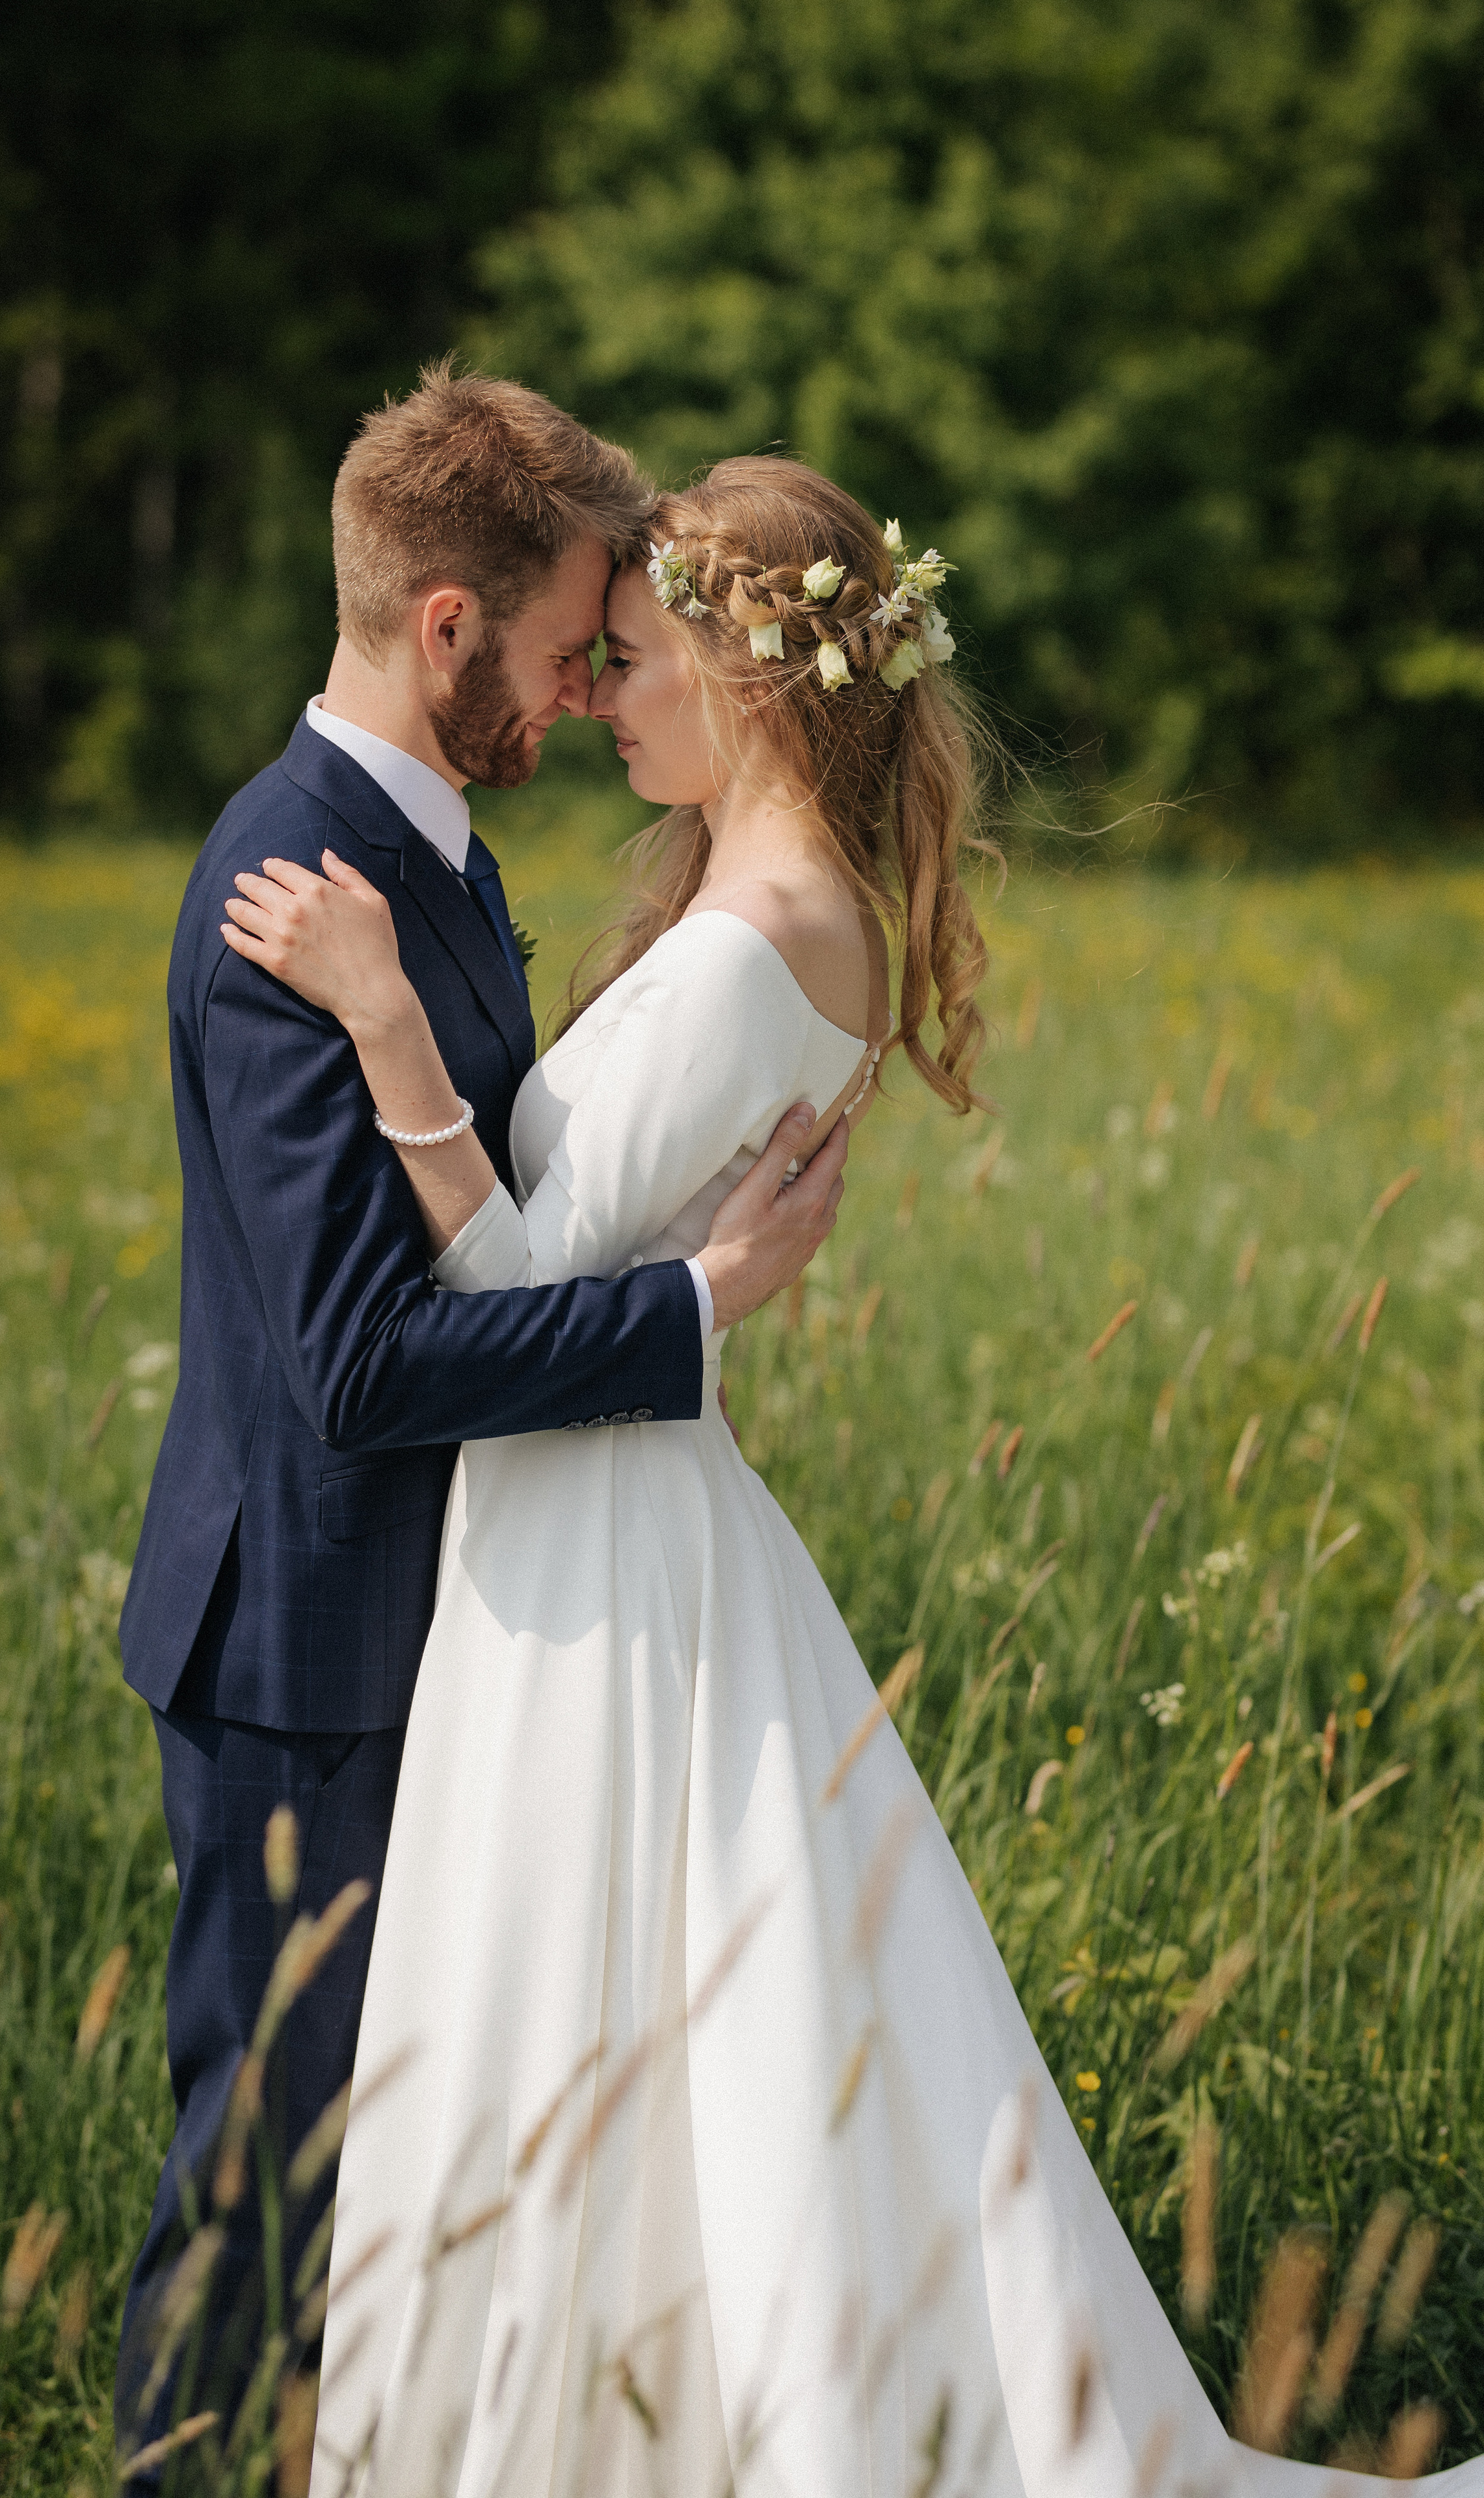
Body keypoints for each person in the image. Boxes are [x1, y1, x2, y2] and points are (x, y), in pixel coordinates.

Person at [226, 455, 1479, 2498]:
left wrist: (389, 1033)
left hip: (599, 1535)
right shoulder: (781, 921)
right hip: (615, 1508)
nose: (597, 699)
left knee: (596, 1996)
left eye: (632, 660)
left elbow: (524, 1290)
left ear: (748, 676)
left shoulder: (752, 951)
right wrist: (698, 1295)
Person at [112, 376, 848, 2473]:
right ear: (447, 628)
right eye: (561, 649)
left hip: (461, 1627)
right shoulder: (288, 890)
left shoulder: (432, 859)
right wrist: (691, 1310)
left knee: (406, 2191)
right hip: (309, 1655)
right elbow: (361, 1365)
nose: (585, 691)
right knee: (265, 2191)